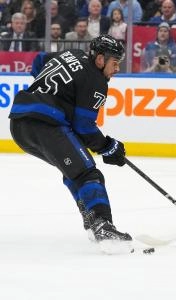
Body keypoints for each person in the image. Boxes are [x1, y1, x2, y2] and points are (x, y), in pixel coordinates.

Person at [9, 34, 133, 254]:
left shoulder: (71, 54)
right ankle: (102, 225)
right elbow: (83, 127)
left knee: (74, 169)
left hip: (19, 125)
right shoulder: (96, 81)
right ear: (100, 60)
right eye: (114, 63)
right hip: (46, 125)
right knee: (88, 174)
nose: (116, 69)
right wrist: (108, 146)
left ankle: (92, 217)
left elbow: (39, 60)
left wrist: (47, 92)